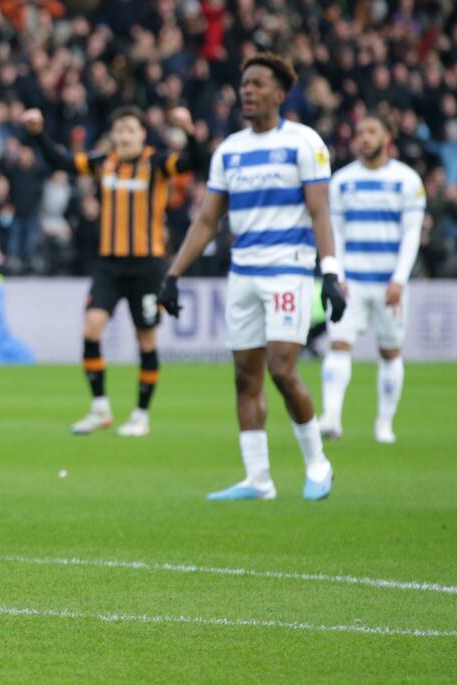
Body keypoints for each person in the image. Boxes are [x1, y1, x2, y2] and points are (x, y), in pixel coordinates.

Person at [157, 53, 347, 501]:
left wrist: (330, 272)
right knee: (246, 376)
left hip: (288, 271)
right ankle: (258, 479)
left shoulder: (304, 142)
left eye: (258, 84)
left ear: (280, 93)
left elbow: (320, 211)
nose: (248, 91)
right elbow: (208, 220)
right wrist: (173, 274)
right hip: (243, 273)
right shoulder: (230, 150)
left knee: (282, 369)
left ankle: (317, 461)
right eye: (245, 84)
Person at [22, 105, 203, 437]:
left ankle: (141, 415)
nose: (125, 136)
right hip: (109, 263)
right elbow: (61, 161)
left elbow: (195, 163)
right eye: (120, 130)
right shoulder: (103, 162)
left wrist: (189, 132)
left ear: (142, 134)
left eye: (131, 129)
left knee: (145, 338)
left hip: (148, 264)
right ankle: (99, 408)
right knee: (91, 328)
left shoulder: (158, 162)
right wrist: (38, 133)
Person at [319, 114, 426, 444]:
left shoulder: (407, 181)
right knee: (339, 345)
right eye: (360, 132)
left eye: (371, 132)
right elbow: (335, 231)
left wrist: (399, 280)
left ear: (387, 137)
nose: (364, 138)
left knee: (390, 351)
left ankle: (384, 425)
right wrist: (338, 274)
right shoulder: (342, 181)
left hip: (388, 283)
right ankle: (331, 419)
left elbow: (411, 234)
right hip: (352, 282)